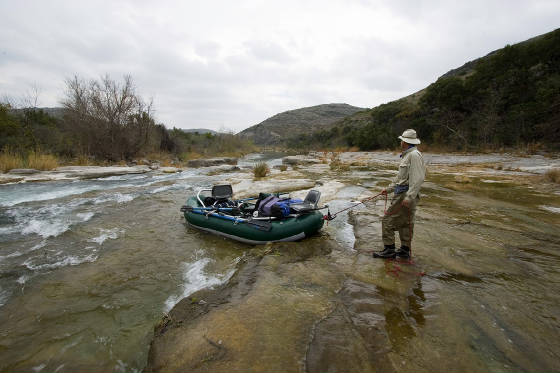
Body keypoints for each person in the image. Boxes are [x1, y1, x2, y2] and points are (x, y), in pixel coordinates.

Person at [373, 129, 425, 259]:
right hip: (403, 193)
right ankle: (404, 250)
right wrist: (388, 189)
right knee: (405, 223)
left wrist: (409, 197)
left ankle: (389, 250)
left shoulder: (414, 155)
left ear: (406, 142)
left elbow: (418, 178)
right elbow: (400, 178)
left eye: (402, 140)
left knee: (387, 220)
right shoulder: (408, 155)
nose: (400, 142)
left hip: (405, 194)